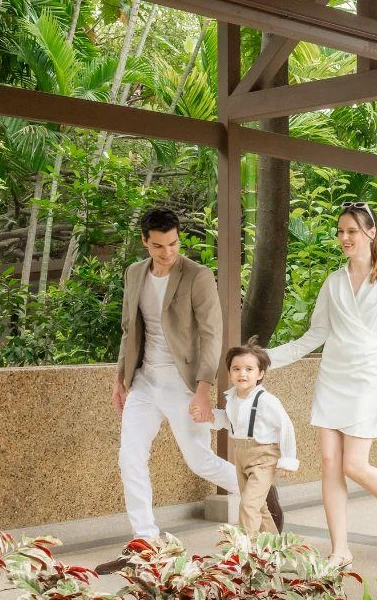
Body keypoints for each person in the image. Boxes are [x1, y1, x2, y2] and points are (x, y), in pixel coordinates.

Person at [265, 201, 377, 569]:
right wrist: (266, 359)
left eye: (352, 230)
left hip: (368, 380)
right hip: (332, 378)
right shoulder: (334, 281)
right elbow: (315, 335)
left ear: (371, 233)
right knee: (330, 464)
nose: (344, 237)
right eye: (341, 231)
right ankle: (340, 550)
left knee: (354, 464)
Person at [97, 207, 240, 574]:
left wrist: (204, 390)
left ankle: (256, 487)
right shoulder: (134, 274)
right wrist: (120, 378)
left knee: (200, 461)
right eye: (159, 246)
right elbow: (130, 330)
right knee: (130, 456)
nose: (168, 252)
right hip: (144, 382)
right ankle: (144, 539)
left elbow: (212, 334)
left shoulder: (197, 276)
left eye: (173, 243)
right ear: (145, 242)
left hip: (184, 384)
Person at [194, 336, 299, 535]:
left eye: (249, 369)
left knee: (248, 505)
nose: (242, 373)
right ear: (230, 372)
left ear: (260, 374)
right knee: (258, 507)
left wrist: (288, 459)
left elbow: (286, 426)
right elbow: (229, 421)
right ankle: (272, 548)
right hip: (241, 455)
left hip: (264, 456)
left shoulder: (267, 400)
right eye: (236, 369)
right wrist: (208, 417)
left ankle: (246, 552)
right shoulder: (232, 398)